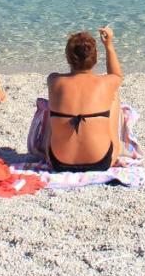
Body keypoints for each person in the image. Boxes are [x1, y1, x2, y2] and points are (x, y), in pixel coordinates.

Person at [46, 27, 122, 171]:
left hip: (58, 162)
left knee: (50, 103)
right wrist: (109, 46)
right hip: (101, 161)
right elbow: (117, 76)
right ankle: (116, 144)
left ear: (67, 57)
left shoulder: (54, 80)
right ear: (95, 57)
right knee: (113, 96)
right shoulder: (105, 83)